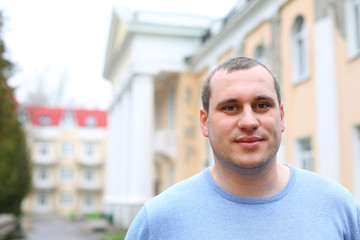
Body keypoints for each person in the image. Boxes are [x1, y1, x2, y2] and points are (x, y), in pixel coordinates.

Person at [125, 57, 360, 239]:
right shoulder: (158, 221)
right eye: (230, 107)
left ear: (281, 116)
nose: (249, 121)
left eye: (261, 105)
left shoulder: (338, 206)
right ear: (205, 122)